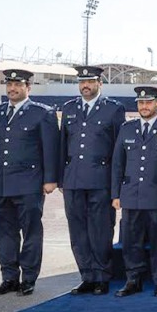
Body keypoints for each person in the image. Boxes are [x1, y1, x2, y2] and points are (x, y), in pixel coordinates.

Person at [0, 69, 60, 297]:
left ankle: (28, 278)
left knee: (31, 232)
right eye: (9, 85)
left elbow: (50, 148)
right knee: (3, 233)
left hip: (29, 183)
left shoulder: (42, 113)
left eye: (18, 85)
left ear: (29, 87)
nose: (12, 89)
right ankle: (8, 278)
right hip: (1, 184)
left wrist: (50, 179)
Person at [58, 65, 125, 296]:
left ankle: (102, 276)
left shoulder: (114, 109)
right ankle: (86, 275)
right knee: (78, 231)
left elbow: (119, 151)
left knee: (100, 230)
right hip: (73, 180)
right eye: (82, 82)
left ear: (100, 84)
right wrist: (60, 179)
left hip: (101, 180)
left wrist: (116, 186)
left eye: (90, 82)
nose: (85, 86)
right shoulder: (69, 109)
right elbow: (62, 146)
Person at [111, 86, 157, 297]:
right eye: (141, 103)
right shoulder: (127, 129)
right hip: (131, 195)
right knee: (131, 243)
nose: (144, 106)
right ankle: (133, 280)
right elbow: (117, 164)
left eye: (148, 102)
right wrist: (115, 194)